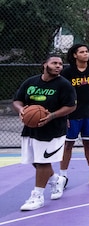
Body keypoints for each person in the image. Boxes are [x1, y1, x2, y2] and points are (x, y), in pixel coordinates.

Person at [12, 54, 78, 211]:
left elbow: (71, 106)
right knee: (35, 161)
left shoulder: (64, 85)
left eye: (60, 64)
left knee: (42, 162)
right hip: (31, 127)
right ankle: (56, 180)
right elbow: (17, 100)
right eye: (54, 63)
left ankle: (37, 196)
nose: (58, 66)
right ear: (44, 65)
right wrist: (21, 110)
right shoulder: (31, 82)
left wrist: (52, 115)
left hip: (53, 130)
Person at [58, 43, 89, 191]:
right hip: (71, 115)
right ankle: (63, 176)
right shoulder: (67, 72)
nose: (86, 54)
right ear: (75, 55)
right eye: (82, 52)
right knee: (68, 145)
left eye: (87, 51)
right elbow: (61, 94)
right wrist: (63, 115)